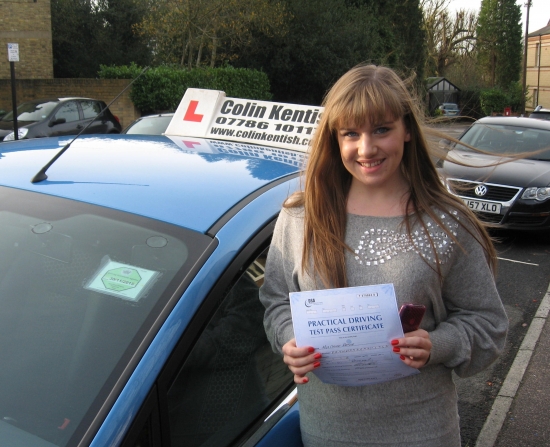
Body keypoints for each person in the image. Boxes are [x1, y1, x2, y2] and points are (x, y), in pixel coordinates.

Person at [259, 64, 508, 447]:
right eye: (350, 134)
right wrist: (290, 339)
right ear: (334, 140)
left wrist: (437, 345)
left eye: (381, 129)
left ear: (406, 129)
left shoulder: (447, 220)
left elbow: (488, 323)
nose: (366, 148)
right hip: (327, 431)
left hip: (422, 431)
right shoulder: (300, 216)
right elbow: (276, 300)